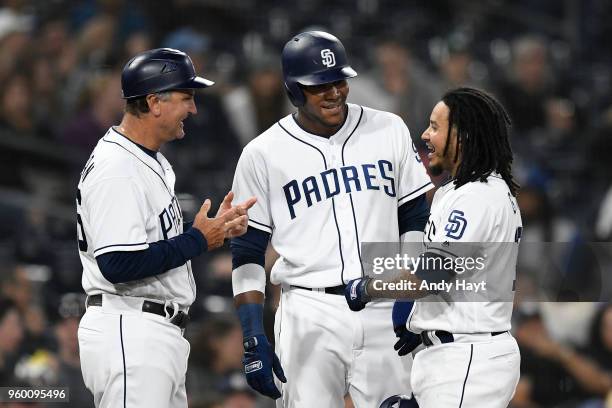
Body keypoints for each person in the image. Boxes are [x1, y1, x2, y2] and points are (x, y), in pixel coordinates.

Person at [229, 31, 433, 407]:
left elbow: (415, 213)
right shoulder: (262, 153)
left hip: (383, 302)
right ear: (293, 89)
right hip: (309, 309)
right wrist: (252, 331)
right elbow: (246, 251)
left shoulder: (388, 128)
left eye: (339, 81)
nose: (334, 92)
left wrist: (408, 285)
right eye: (319, 86)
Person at [76, 48, 256, 408]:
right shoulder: (118, 168)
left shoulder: (143, 159)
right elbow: (117, 263)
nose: (193, 108)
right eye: (186, 97)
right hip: (130, 328)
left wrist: (212, 229)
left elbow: (147, 241)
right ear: (154, 102)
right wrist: (198, 239)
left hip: (150, 331)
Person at [345, 87, 523, 407]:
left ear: (463, 137)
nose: (426, 134)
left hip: (468, 357)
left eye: (436, 127)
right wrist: (419, 319)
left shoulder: (477, 195)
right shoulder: (458, 190)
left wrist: (367, 288)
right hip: (454, 356)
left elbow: (429, 276)